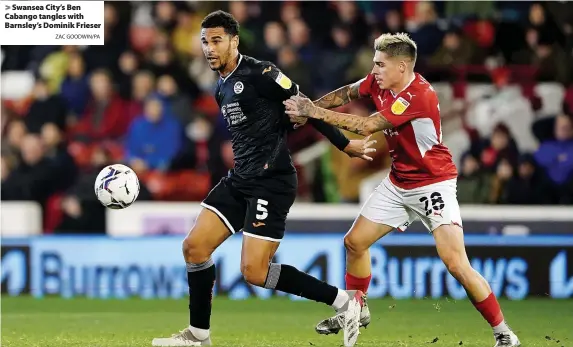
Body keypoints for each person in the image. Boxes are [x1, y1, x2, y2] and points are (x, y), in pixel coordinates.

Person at [151, 10, 376, 347]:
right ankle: (198, 336)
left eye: (216, 41)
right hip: (241, 179)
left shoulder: (262, 72)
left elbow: (305, 106)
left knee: (254, 272)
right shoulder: (221, 88)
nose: (209, 48)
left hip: (272, 182)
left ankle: (346, 303)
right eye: (204, 42)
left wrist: (345, 145)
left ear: (234, 41)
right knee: (194, 247)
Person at [284, 32, 521, 347]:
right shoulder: (380, 81)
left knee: (455, 263)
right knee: (355, 242)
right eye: (375, 64)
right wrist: (310, 106)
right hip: (399, 181)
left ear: (402, 67)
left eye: (381, 65)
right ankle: (359, 307)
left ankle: (504, 333)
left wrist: (312, 113)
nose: (375, 70)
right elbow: (347, 93)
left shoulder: (418, 96)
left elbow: (367, 126)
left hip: (433, 183)